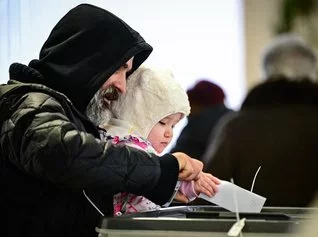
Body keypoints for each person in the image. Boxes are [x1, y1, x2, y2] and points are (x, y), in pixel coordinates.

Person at [0, 4, 204, 237]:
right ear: (88, 60)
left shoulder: (63, 111)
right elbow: (67, 154)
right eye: (119, 70)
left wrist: (166, 187)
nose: (123, 86)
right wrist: (162, 170)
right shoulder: (25, 102)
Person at [202, 34, 318, 207]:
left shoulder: (236, 125)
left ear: (267, 71)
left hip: (252, 230)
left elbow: (211, 191)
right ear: (313, 72)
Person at [101, 66, 220, 216]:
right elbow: (151, 177)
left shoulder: (111, 141)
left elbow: (159, 179)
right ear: (138, 115)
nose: (169, 133)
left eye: (174, 126)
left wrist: (190, 185)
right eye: (163, 123)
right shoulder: (130, 148)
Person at [171, 80, 233, 161]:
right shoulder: (235, 118)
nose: (187, 112)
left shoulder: (197, 124)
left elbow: (175, 160)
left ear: (197, 103)